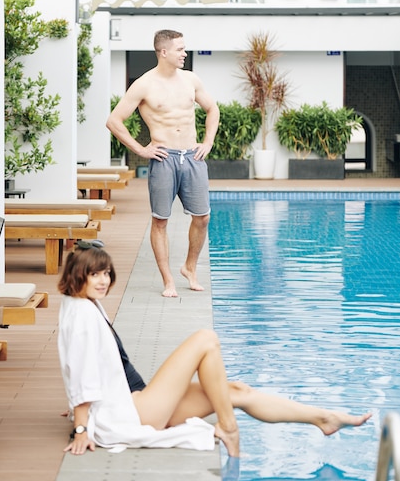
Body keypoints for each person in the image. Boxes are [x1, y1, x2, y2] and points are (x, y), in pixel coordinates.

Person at [57, 241, 371, 457]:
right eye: (94, 274)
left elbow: (77, 365)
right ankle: (229, 427)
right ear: (77, 276)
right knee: (206, 339)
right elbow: (83, 372)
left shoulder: (81, 304)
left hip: (134, 403)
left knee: (235, 390)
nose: (102, 281)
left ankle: (323, 418)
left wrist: (78, 407)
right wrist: (82, 424)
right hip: (133, 412)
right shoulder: (84, 315)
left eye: (106, 273)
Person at [106, 29, 220, 298]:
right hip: (164, 158)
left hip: (193, 157)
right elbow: (114, 121)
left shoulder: (191, 79)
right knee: (160, 221)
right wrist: (140, 149)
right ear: (164, 52)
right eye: (180, 49)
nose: (185, 53)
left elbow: (212, 109)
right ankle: (168, 280)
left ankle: (189, 268)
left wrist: (208, 142)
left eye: (185, 48)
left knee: (202, 218)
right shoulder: (144, 84)